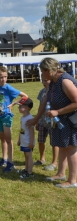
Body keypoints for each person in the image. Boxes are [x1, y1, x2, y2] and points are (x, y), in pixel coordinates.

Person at [26, 57, 77, 188]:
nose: (41, 74)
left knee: (71, 148)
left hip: (71, 120)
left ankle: (72, 181)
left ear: (49, 70)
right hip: (61, 121)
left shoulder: (65, 81)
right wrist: (36, 119)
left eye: (42, 72)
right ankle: (61, 174)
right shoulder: (54, 81)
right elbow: (45, 101)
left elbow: (76, 102)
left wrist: (58, 112)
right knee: (63, 146)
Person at [0, 66, 28, 172]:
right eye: (1, 77)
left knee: (8, 139)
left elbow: (25, 96)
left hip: (6, 116)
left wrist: (13, 103)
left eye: (5, 77)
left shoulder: (9, 88)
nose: (3, 79)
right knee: (2, 138)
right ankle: (4, 159)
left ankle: (10, 162)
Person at [34, 78, 59, 171]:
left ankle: (54, 162)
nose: (44, 82)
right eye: (43, 80)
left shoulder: (55, 92)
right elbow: (40, 106)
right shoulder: (42, 92)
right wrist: (37, 120)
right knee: (41, 141)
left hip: (53, 122)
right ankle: (42, 159)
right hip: (42, 121)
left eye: (46, 80)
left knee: (54, 143)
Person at [16, 97, 35, 178]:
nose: (18, 108)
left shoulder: (29, 119)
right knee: (25, 156)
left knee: (29, 156)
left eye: (20, 106)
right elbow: (22, 130)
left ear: (27, 108)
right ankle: (26, 169)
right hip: (24, 141)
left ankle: (30, 173)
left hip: (28, 142)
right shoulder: (23, 117)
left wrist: (31, 143)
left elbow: (32, 132)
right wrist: (19, 140)